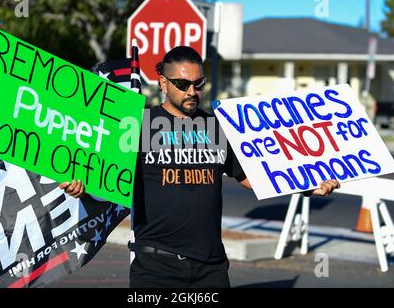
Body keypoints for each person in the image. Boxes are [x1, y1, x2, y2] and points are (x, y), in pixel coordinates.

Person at [60, 46, 340, 288]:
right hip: (156, 267)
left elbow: (249, 176)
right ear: (163, 82)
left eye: (198, 83)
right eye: (182, 85)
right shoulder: (137, 127)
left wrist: (306, 183)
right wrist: (80, 189)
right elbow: (105, 179)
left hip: (212, 267)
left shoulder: (217, 126)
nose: (192, 92)